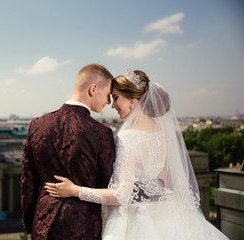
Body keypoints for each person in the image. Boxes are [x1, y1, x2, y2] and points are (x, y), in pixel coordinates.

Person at [45, 69, 229, 240]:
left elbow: (122, 195)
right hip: (167, 212)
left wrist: (75, 191)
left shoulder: (127, 137)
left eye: (116, 98)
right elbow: (162, 179)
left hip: (134, 220)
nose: (113, 105)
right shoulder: (162, 133)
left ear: (133, 99)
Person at [20, 64, 116, 239]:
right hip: (84, 226)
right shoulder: (101, 133)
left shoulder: (37, 124)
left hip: (42, 225)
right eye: (108, 95)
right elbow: (109, 183)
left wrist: (30, 226)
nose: (109, 102)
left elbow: (28, 182)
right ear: (93, 89)